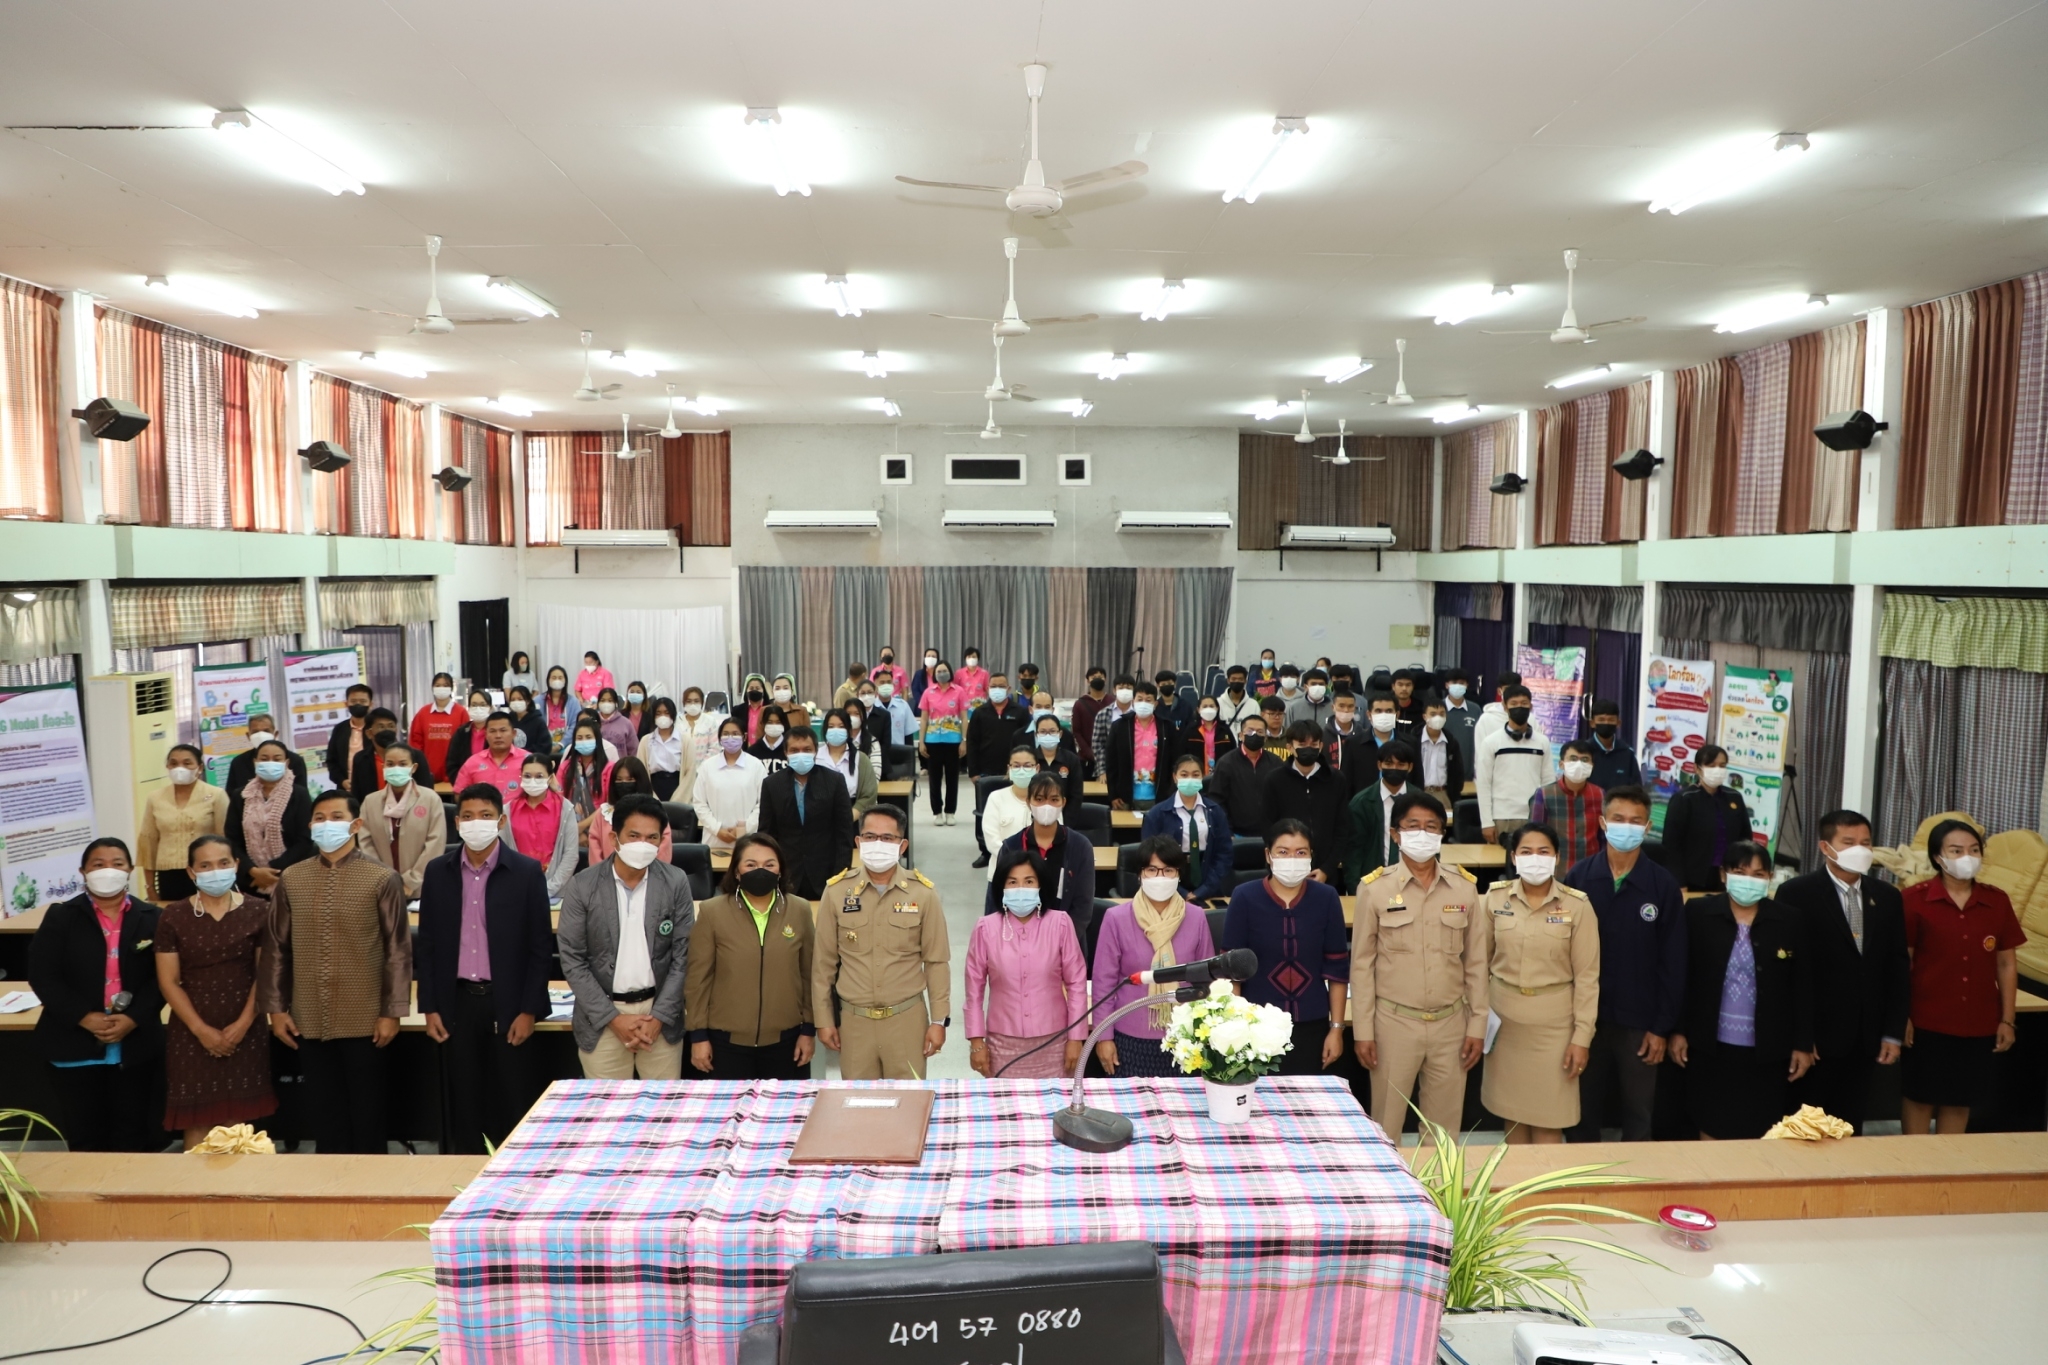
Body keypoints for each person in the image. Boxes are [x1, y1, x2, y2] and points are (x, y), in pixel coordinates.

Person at [261, 790, 410, 1154]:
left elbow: (397, 950)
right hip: (308, 1016)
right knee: (324, 1116)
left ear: (356, 825)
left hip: (366, 1018)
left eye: (336, 817)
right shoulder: (292, 878)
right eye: (319, 818)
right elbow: (276, 947)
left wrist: (392, 1012)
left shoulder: (382, 878)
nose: (327, 824)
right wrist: (276, 1009)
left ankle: (370, 1184)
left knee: (368, 1115)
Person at [417, 784, 554, 1154]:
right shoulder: (438, 872)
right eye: (468, 816)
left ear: (501, 821)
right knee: (464, 1101)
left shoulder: (526, 872)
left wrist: (529, 1010)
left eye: (486, 815)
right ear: (457, 822)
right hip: (457, 1003)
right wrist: (430, 1007)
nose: (476, 823)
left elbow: (540, 949)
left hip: (508, 1004)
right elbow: (426, 944)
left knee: (511, 1099)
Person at [1350, 793, 1485, 1139]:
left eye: (1431, 827)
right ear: (1395, 834)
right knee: (1386, 1128)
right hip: (1394, 1024)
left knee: (1443, 1135)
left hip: (1451, 1025)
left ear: (1442, 834)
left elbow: (1476, 963)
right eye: (1413, 826)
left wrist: (1477, 1025)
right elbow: (1362, 966)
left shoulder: (1464, 888)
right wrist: (1363, 1030)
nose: (1422, 834)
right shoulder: (1374, 889)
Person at [1561, 785, 1687, 1142]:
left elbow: (1674, 963)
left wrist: (1661, 1028)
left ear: (1648, 828)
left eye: (1635, 821)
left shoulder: (1662, 885)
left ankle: (1636, 1175)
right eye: (1618, 819)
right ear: (1603, 822)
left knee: (1639, 1113)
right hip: (1585, 1019)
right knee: (1581, 1110)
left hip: (1640, 1022)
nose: (1626, 827)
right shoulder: (1579, 878)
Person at [1670, 843, 1815, 1139]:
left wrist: (1803, 1043)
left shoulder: (1790, 920)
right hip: (1709, 1044)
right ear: (1724, 875)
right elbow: (1683, 977)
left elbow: (1802, 985)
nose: (1749, 880)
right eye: (1739, 871)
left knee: (1761, 1126)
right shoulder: (1698, 913)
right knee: (1710, 1120)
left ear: (1770, 877)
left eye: (1758, 874)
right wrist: (1679, 1030)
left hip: (1768, 1048)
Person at [28, 838, 164, 1151]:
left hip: (136, 1045)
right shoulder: (62, 917)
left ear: (130, 870)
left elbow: (162, 979)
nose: (108, 871)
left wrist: (133, 1018)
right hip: (73, 1042)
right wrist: (83, 1017)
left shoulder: (152, 917)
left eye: (117, 864)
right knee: (86, 1137)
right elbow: (43, 976)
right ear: (83, 872)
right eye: (98, 865)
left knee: (134, 1136)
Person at [1778, 809, 1909, 1132]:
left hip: (1865, 1038)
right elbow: (1789, 973)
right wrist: (1801, 1037)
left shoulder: (1887, 897)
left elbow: (1896, 966)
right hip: (1816, 1040)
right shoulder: (1797, 894)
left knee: (1850, 1128)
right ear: (1825, 847)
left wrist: (1892, 1032)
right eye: (1849, 842)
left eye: (1866, 843)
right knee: (1806, 1129)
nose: (1860, 850)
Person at [1899, 819, 2025, 1135]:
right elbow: (1902, 963)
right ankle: (1913, 1161)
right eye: (1956, 851)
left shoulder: (1996, 901)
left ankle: (1949, 1162)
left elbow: (2006, 964)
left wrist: (2007, 1020)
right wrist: (1901, 1014)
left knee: (1959, 1100)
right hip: (1926, 1021)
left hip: (1978, 1022)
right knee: (1920, 1098)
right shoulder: (1914, 900)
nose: (1966, 857)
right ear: (1937, 857)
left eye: (1973, 850)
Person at [557, 797, 695, 1080]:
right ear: (614, 838)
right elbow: (573, 959)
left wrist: (659, 1017)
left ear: (661, 841)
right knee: (607, 1106)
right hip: (602, 1016)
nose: (643, 844)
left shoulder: (675, 881)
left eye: (651, 837)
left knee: (663, 1105)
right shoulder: (583, 885)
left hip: (659, 1015)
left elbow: (683, 956)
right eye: (634, 836)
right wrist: (613, 1019)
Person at [152, 834, 273, 1149]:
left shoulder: (260, 910)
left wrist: (243, 1024)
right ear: (191, 872)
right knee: (197, 1123)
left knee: (241, 1128)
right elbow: (168, 981)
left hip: (246, 1027)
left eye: (223, 863)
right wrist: (201, 1030)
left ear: (236, 865)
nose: (215, 871)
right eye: (205, 865)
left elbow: (265, 974)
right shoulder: (173, 916)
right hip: (191, 1031)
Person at [1482, 822, 1600, 1144]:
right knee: (1513, 1120)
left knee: (1549, 1123)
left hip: (1555, 1030)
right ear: (1513, 857)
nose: (1535, 858)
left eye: (1543, 851)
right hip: (1505, 1026)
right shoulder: (1494, 899)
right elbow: (1478, 967)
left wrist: (1582, 1037)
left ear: (1557, 858)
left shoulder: (1577, 905)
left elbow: (1588, 978)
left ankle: (1547, 1180)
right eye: (1526, 851)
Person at [812, 806, 950, 1079]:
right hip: (855, 1022)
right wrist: (824, 1019)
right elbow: (823, 964)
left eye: (887, 838)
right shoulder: (837, 891)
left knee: (908, 1099)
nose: (878, 844)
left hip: (906, 1020)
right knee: (858, 1100)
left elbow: (936, 962)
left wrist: (939, 1021)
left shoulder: (923, 894)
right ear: (858, 842)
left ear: (902, 845)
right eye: (870, 836)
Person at [685, 833, 816, 1080]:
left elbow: (809, 975)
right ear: (736, 871)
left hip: (787, 1042)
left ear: (780, 870)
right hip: (725, 1044)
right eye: (751, 864)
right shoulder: (712, 912)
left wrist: (808, 1030)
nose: (761, 871)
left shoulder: (799, 910)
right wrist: (698, 1035)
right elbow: (698, 980)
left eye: (769, 864)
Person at [1225, 820, 1349, 1076]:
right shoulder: (1244, 897)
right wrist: (1237, 1029)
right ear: (1268, 855)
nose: (1292, 859)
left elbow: (1337, 970)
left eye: (1301, 852)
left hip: (1312, 1024)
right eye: (1283, 851)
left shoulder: (1326, 898)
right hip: (1256, 1025)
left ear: (1311, 856)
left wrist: (1336, 1029)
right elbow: (1232, 972)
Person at [1090, 837, 1216, 1076]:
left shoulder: (1196, 917)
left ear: (1178, 874)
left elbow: (1207, 981)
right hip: (1130, 1036)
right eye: (1152, 870)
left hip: (1184, 1036)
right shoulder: (1116, 919)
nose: (1160, 877)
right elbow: (1103, 984)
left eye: (1168, 870)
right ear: (1140, 874)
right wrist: (1103, 1037)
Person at [967, 847, 1089, 1079]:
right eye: (1012, 882)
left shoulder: (1061, 924)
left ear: (1041, 886)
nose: (1021, 888)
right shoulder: (985, 928)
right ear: (1001, 887)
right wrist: (976, 1042)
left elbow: (1076, 984)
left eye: (1029, 881)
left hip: (1055, 1042)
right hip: (1002, 1044)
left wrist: (1076, 1037)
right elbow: (974, 992)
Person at [757, 726, 856, 899]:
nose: (801, 754)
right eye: (794, 750)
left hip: (826, 874)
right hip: (786, 874)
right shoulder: (771, 784)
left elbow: (844, 833)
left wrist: (839, 877)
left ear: (816, 751)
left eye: (807, 750)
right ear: (786, 752)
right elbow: (766, 834)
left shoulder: (834, 781)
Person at [985, 774, 1097, 926]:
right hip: (1017, 935)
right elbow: (999, 898)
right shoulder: (1011, 847)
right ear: (1028, 802)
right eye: (1039, 799)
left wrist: (1063, 937)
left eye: (1054, 800)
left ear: (1063, 802)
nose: (1046, 806)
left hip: (1065, 934)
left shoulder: (1081, 847)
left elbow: (1083, 907)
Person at [137, 743, 228, 903]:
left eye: (187, 763)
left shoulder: (216, 795)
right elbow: (149, 842)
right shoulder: (155, 798)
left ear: (199, 768)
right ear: (167, 767)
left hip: (207, 872)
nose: (180, 768)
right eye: (174, 763)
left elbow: (225, 838)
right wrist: (150, 887)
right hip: (169, 876)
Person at [1141, 752, 1235, 904]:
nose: (1190, 779)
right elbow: (1149, 856)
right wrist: (1181, 892)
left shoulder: (1214, 811)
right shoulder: (1157, 814)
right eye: (1184, 775)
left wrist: (1204, 890)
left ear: (1202, 777)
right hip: (1167, 886)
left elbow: (1224, 854)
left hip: (1208, 886)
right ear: (1175, 777)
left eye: (1195, 775)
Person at [1659, 744, 1754, 892]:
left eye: (1722, 765)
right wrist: (1679, 882)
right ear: (1697, 768)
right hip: (1694, 878)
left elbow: (1745, 838)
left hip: (1729, 876)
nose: (1717, 770)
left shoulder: (1734, 797)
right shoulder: (1684, 799)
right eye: (1711, 765)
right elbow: (1672, 846)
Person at [1264, 720, 1349, 884]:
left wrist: (1327, 869)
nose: (1308, 749)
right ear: (1290, 747)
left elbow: (1342, 829)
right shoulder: (1274, 780)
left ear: (1321, 746)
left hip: (1327, 872)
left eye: (1314, 744)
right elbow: (1268, 827)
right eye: (1302, 744)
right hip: (1285, 869)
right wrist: (1283, 864)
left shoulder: (1336, 779)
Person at [358, 741, 446, 897]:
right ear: (383, 767)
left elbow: (435, 843)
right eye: (390, 764)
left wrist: (412, 881)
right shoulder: (370, 801)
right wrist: (383, 879)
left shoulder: (430, 799)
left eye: (403, 764)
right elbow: (366, 843)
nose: (396, 768)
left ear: (414, 768)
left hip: (421, 886)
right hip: (382, 887)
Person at [227, 738, 311, 896]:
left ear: (286, 763)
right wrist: (253, 870)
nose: (270, 763)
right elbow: (232, 840)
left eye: (277, 759)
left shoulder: (299, 794)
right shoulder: (241, 795)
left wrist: (272, 871)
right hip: (251, 880)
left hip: (292, 877)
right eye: (264, 759)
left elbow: (305, 840)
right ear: (255, 762)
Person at [964, 672, 1030, 865]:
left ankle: (1016, 847)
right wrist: (973, 771)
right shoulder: (979, 713)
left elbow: (1027, 740)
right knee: (984, 812)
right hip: (985, 772)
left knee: (1014, 810)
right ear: (987, 689)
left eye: (1001, 686)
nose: (997, 689)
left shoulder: (1020, 712)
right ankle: (985, 852)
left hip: (1016, 771)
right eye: (994, 686)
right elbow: (972, 743)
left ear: (1008, 689)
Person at [1475, 685, 1554, 844]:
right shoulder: (1491, 742)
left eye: (1524, 703)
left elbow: (1548, 781)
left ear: (1531, 706)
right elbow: (1483, 784)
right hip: (1502, 817)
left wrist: (1549, 816)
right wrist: (1487, 822)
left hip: (1535, 815)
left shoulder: (1542, 742)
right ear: (1505, 706)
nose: (1519, 707)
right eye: (1514, 703)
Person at [505, 752, 579, 896]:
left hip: (557, 892)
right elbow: (503, 852)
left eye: (539, 776)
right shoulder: (507, 810)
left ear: (550, 778)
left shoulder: (565, 808)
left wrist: (548, 889)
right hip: (516, 890)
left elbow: (571, 854)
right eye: (527, 776)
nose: (532, 780)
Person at [1345, 740, 1418, 884]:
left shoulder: (1421, 802)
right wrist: (1355, 888)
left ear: (1410, 767)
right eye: (1389, 764)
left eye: (1401, 764)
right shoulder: (1361, 803)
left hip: (1412, 880)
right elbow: (1354, 851)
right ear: (1379, 765)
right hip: (1373, 880)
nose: (1394, 768)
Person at [695, 715, 767, 852]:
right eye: (726, 734)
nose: (730, 738)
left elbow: (763, 804)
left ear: (744, 737)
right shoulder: (707, 766)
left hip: (748, 839)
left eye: (735, 734)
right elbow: (699, 803)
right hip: (714, 840)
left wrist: (744, 829)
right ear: (719, 738)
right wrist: (717, 830)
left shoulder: (756, 766)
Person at [1529, 739, 1605, 866]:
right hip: (1555, 868)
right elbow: (1534, 836)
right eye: (1573, 759)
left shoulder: (1600, 795)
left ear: (1592, 765)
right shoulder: (1544, 794)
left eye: (1585, 760)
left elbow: (1604, 836)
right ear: (1561, 764)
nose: (1579, 764)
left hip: (1590, 867)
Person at [588, 757, 675, 867]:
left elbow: (664, 845)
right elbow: (595, 848)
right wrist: (604, 874)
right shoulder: (603, 813)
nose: (624, 784)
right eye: (619, 780)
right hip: (607, 875)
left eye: (630, 780)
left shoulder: (655, 811)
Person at [1209, 711, 1278, 841]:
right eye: (1250, 731)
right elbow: (1217, 800)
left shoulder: (1276, 762)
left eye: (1260, 732)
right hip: (1236, 835)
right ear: (1241, 735)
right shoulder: (1226, 763)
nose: (1255, 735)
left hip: (1271, 834)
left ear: (1265, 737)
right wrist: (1227, 831)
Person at [1105, 679, 1172, 811]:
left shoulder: (1166, 727)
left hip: (1159, 796)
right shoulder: (1120, 726)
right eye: (1139, 699)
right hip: (1125, 796)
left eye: (1148, 700)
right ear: (1133, 701)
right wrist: (1113, 794)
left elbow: (1173, 761)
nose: (1143, 703)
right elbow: (1111, 762)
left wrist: (1171, 792)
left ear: (1155, 704)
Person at [916, 658, 968, 824]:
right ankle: (937, 812)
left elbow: (964, 718)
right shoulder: (928, 692)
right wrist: (921, 741)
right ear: (934, 674)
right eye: (938, 671)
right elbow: (924, 719)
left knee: (952, 779)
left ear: (950, 672)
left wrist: (964, 740)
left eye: (944, 671)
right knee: (934, 779)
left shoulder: (959, 691)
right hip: (932, 741)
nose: (942, 674)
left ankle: (950, 812)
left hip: (953, 741)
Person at [980, 745, 1040, 879]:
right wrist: (1016, 862)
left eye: (1027, 766)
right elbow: (992, 839)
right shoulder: (996, 798)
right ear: (1009, 769)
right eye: (1016, 766)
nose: (1022, 770)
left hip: (1038, 873)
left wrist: (1034, 862)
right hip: (1002, 872)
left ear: (1037, 769)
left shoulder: (1047, 800)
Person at [558, 715, 612, 853]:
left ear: (597, 739)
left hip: (602, 828)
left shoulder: (609, 768)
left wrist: (581, 827)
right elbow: (559, 801)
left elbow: (610, 805)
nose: (584, 741)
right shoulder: (565, 767)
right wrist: (576, 830)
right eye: (580, 738)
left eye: (588, 737)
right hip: (570, 830)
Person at [406, 674, 468, 785]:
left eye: (445, 685)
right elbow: (415, 744)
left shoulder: (461, 713)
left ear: (451, 688)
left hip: (453, 775)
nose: (441, 688)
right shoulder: (423, 713)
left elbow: (464, 746)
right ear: (432, 688)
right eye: (438, 685)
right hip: (427, 774)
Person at [453, 711, 529, 800]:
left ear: (513, 733)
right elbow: (459, 794)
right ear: (485, 734)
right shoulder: (472, 762)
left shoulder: (528, 760)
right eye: (492, 731)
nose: (498, 736)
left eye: (503, 730)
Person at [225, 712, 306, 793]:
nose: (261, 735)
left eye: (266, 731)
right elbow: (231, 795)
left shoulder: (295, 761)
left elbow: (301, 794)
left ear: (275, 734)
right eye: (255, 732)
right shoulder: (238, 762)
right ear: (248, 736)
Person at [819, 707, 878, 815]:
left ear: (849, 730)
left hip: (852, 816)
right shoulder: (815, 757)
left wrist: (848, 818)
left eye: (841, 726)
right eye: (831, 726)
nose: (836, 730)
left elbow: (868, 796)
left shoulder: (861, 759)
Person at [1414, 699, 1467, 812]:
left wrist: (1453, 793)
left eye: (1441, 714)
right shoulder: (1413, 740)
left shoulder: (1451, 742)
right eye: (1433, 714)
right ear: (1424, 716)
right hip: (1418, 793)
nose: (1437, 718)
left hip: (1442, 794)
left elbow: (1458, 772)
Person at [638, 696, 694, 803]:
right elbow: (641, 771)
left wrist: (679, 799)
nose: (662, 716)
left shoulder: (685, 741)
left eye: (666, 713)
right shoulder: (645, 741)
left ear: (673, 715)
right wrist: (651, 797)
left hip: (677, 785)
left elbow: (690, 772)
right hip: (653, 786)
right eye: (658, 713)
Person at [324, 681, 376, 792]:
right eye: (353, 701)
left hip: (374, 788)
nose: (358, 705)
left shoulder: (376, 729)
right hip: (346, 789)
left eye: (363, 701)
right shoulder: (339, 729)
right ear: (346, 703)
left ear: (371, 704)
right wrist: (342, 781)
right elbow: (331, 760)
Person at [440, 689, 495, 788]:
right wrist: (462, 785)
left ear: (490, 708)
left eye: (482, 705)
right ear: (469, 708)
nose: (478, 708)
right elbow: (452, 763)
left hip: (493, 787)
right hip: (465, 788)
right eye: (474, 705)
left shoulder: (497, 732)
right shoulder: (461, 732)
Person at [1089, 674, 1140, 780]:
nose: (1124, 691)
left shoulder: (1140, 714)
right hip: (1111, 768)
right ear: (1114, 690)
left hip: (1137, 769)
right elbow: (1098, 745)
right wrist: (1102, 771)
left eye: (1128, 688)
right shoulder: (1103, 714)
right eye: (1121, 688)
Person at [1031, 712, 1086, 807]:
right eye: (1043, 732)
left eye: (1052, 731)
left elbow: (1076, 795)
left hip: (1064, 812)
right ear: (1036, 734)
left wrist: (1065, 816)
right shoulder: (1030, 758)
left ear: (1060, 734)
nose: (1048, 735)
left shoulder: (1071, 759)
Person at [1585, 698, 1640, 794]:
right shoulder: (1583, 751)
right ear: (1592, 723)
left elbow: (1637, 788)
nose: (1606, 723)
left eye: (1611, 720)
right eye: (1601, 720)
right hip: (1590, 803)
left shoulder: (1627, 753)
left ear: (1618, 723)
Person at [1182, 691, 1237, 781]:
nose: (1208, 709)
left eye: (1211, 706)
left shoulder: (1224, 730)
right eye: (1205, 706)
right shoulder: (1191, 730)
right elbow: (1182, 753)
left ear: (1217, 708)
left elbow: (1233, 752)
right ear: (1198, 709)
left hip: (1221, 776)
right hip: (1196, 777)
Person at [1439, 669, 1483, 776]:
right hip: (1442, 770)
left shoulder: (1475, 709)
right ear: (1446, 685)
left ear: (1467, 685)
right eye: (1454, 683)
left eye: (1462, 683)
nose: (1458, 686)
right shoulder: (1438, 708)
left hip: (1469, 769)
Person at [1320, 689, 1367, 789]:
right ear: (1333, 707)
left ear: (1355, 708)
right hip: (1329, 785)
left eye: (1350, 706)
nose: (1346, 710)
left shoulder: (1363, 735)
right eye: (1341, 706)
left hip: (1356, 788)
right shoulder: (1322, 735)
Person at [1069, 666, 1112, 772]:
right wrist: (1089, 753)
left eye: (1100, 677)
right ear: (1088, 681)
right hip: (1087, 759)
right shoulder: (1080, 704)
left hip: (1111, 757)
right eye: (1093, 677)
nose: (1097, 679)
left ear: (1105, 680)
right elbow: (1077, 732)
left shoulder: (1113, 701)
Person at [1471, 669, 1523, 754]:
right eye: (1507, 689)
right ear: (1499, 691)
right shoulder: (1486, 719)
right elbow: (1480, 752)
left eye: (1515, 689)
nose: (1512, 693)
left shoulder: (1529, 718)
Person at [679, 686, 723, 767]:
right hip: (680, 769)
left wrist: (702, 768)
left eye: (696, 701)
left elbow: (715, 748)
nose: (692, 704)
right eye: (689, 701)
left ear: (702, 702)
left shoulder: (710, 721)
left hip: (705, 769)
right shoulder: (677, 722)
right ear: (684, 703)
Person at [1214, 664, 1259, 735]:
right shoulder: (1218, 703)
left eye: (1240, 679)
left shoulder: (1254, 705)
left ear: (1245, 681)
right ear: (1228, 681)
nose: (1237, 681)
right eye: (1233, 679)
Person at [540, 666, 576, 754]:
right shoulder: (538, 700)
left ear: (565, 681)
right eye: (554, 677)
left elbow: (575, 725)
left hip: (567, 748)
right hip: (542, 746)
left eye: (560, 678)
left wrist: (561, 744)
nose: (557, 680)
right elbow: (536, 725)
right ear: (548, 680)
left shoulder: (573, 702)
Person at [748, 704, 793, 772]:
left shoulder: (791, 749)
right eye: (769, 722)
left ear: (784, 724)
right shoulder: (752, 751)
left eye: (778, 722)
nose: (774, 726)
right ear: (763, 723)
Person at [734, 672, 772, 745]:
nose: (754, 690)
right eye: (751, 688)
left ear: (763, 691)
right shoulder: (737, 710)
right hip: (744, 748)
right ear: (746, 691)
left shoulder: (770, 709)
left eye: (757, 688)